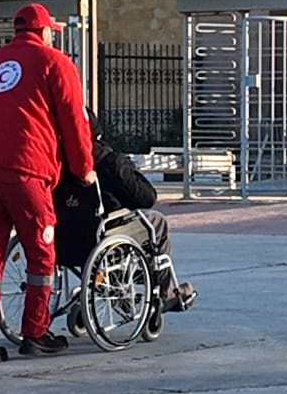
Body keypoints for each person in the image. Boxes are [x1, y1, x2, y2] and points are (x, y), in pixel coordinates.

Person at [0, 3, 96, 366]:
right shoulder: (55, 62)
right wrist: (84, 169)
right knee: (41, 251)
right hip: (25, 168)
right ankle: (35, 333)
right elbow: (74, 121)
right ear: (46, 32)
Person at [53, 114, 196, 313]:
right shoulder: (107, 160)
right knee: (156, 223)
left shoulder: (53, 161)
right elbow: (146, 198)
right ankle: (166, 293)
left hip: (63, 241)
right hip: (100, 236)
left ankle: (110, 284)